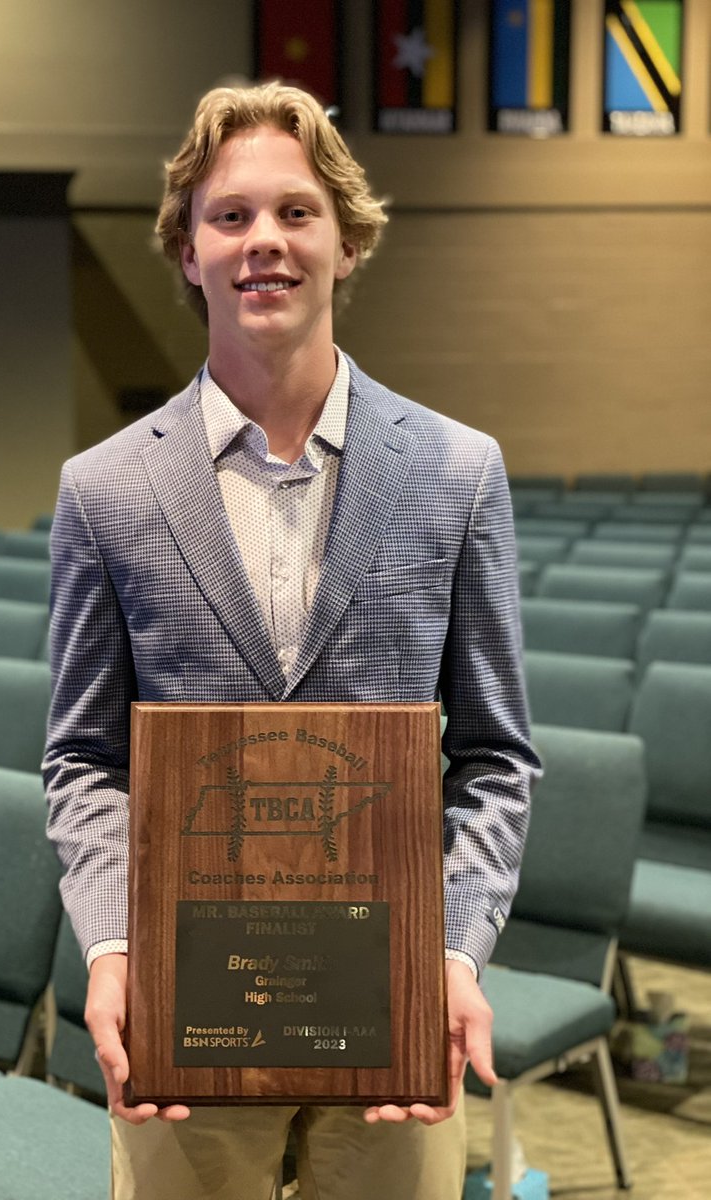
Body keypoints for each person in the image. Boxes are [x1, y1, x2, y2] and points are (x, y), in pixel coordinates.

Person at [44, 80, 539, 1200]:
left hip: (393, 1013)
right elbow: (82, 761)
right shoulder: (104, 489)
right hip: (187, 1015)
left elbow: (498, 757)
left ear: (349, 242)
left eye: (297, 212)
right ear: (187, 252)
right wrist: (114, 952)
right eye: (230, 217)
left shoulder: (460, 473)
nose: (264, 240)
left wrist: (454, 954)